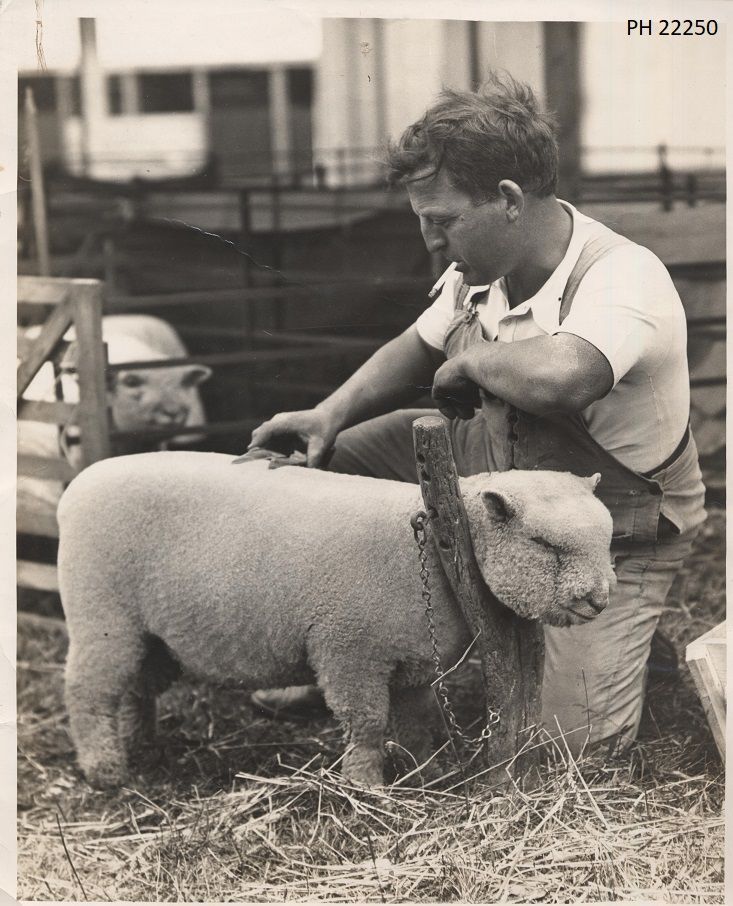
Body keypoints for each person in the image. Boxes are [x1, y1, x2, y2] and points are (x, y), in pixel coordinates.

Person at [245, 72, 706, 757]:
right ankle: (345, 650)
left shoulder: (621, 275)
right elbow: (417, 344)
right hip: (498, 470)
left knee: (564, 753)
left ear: (509, 200)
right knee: (329, 463)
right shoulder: (478, 272)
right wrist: (327, 413)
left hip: (607, 527)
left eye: (442, 220)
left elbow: (568, 378)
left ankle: (630, 637)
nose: (430, 240)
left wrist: (474, 363)